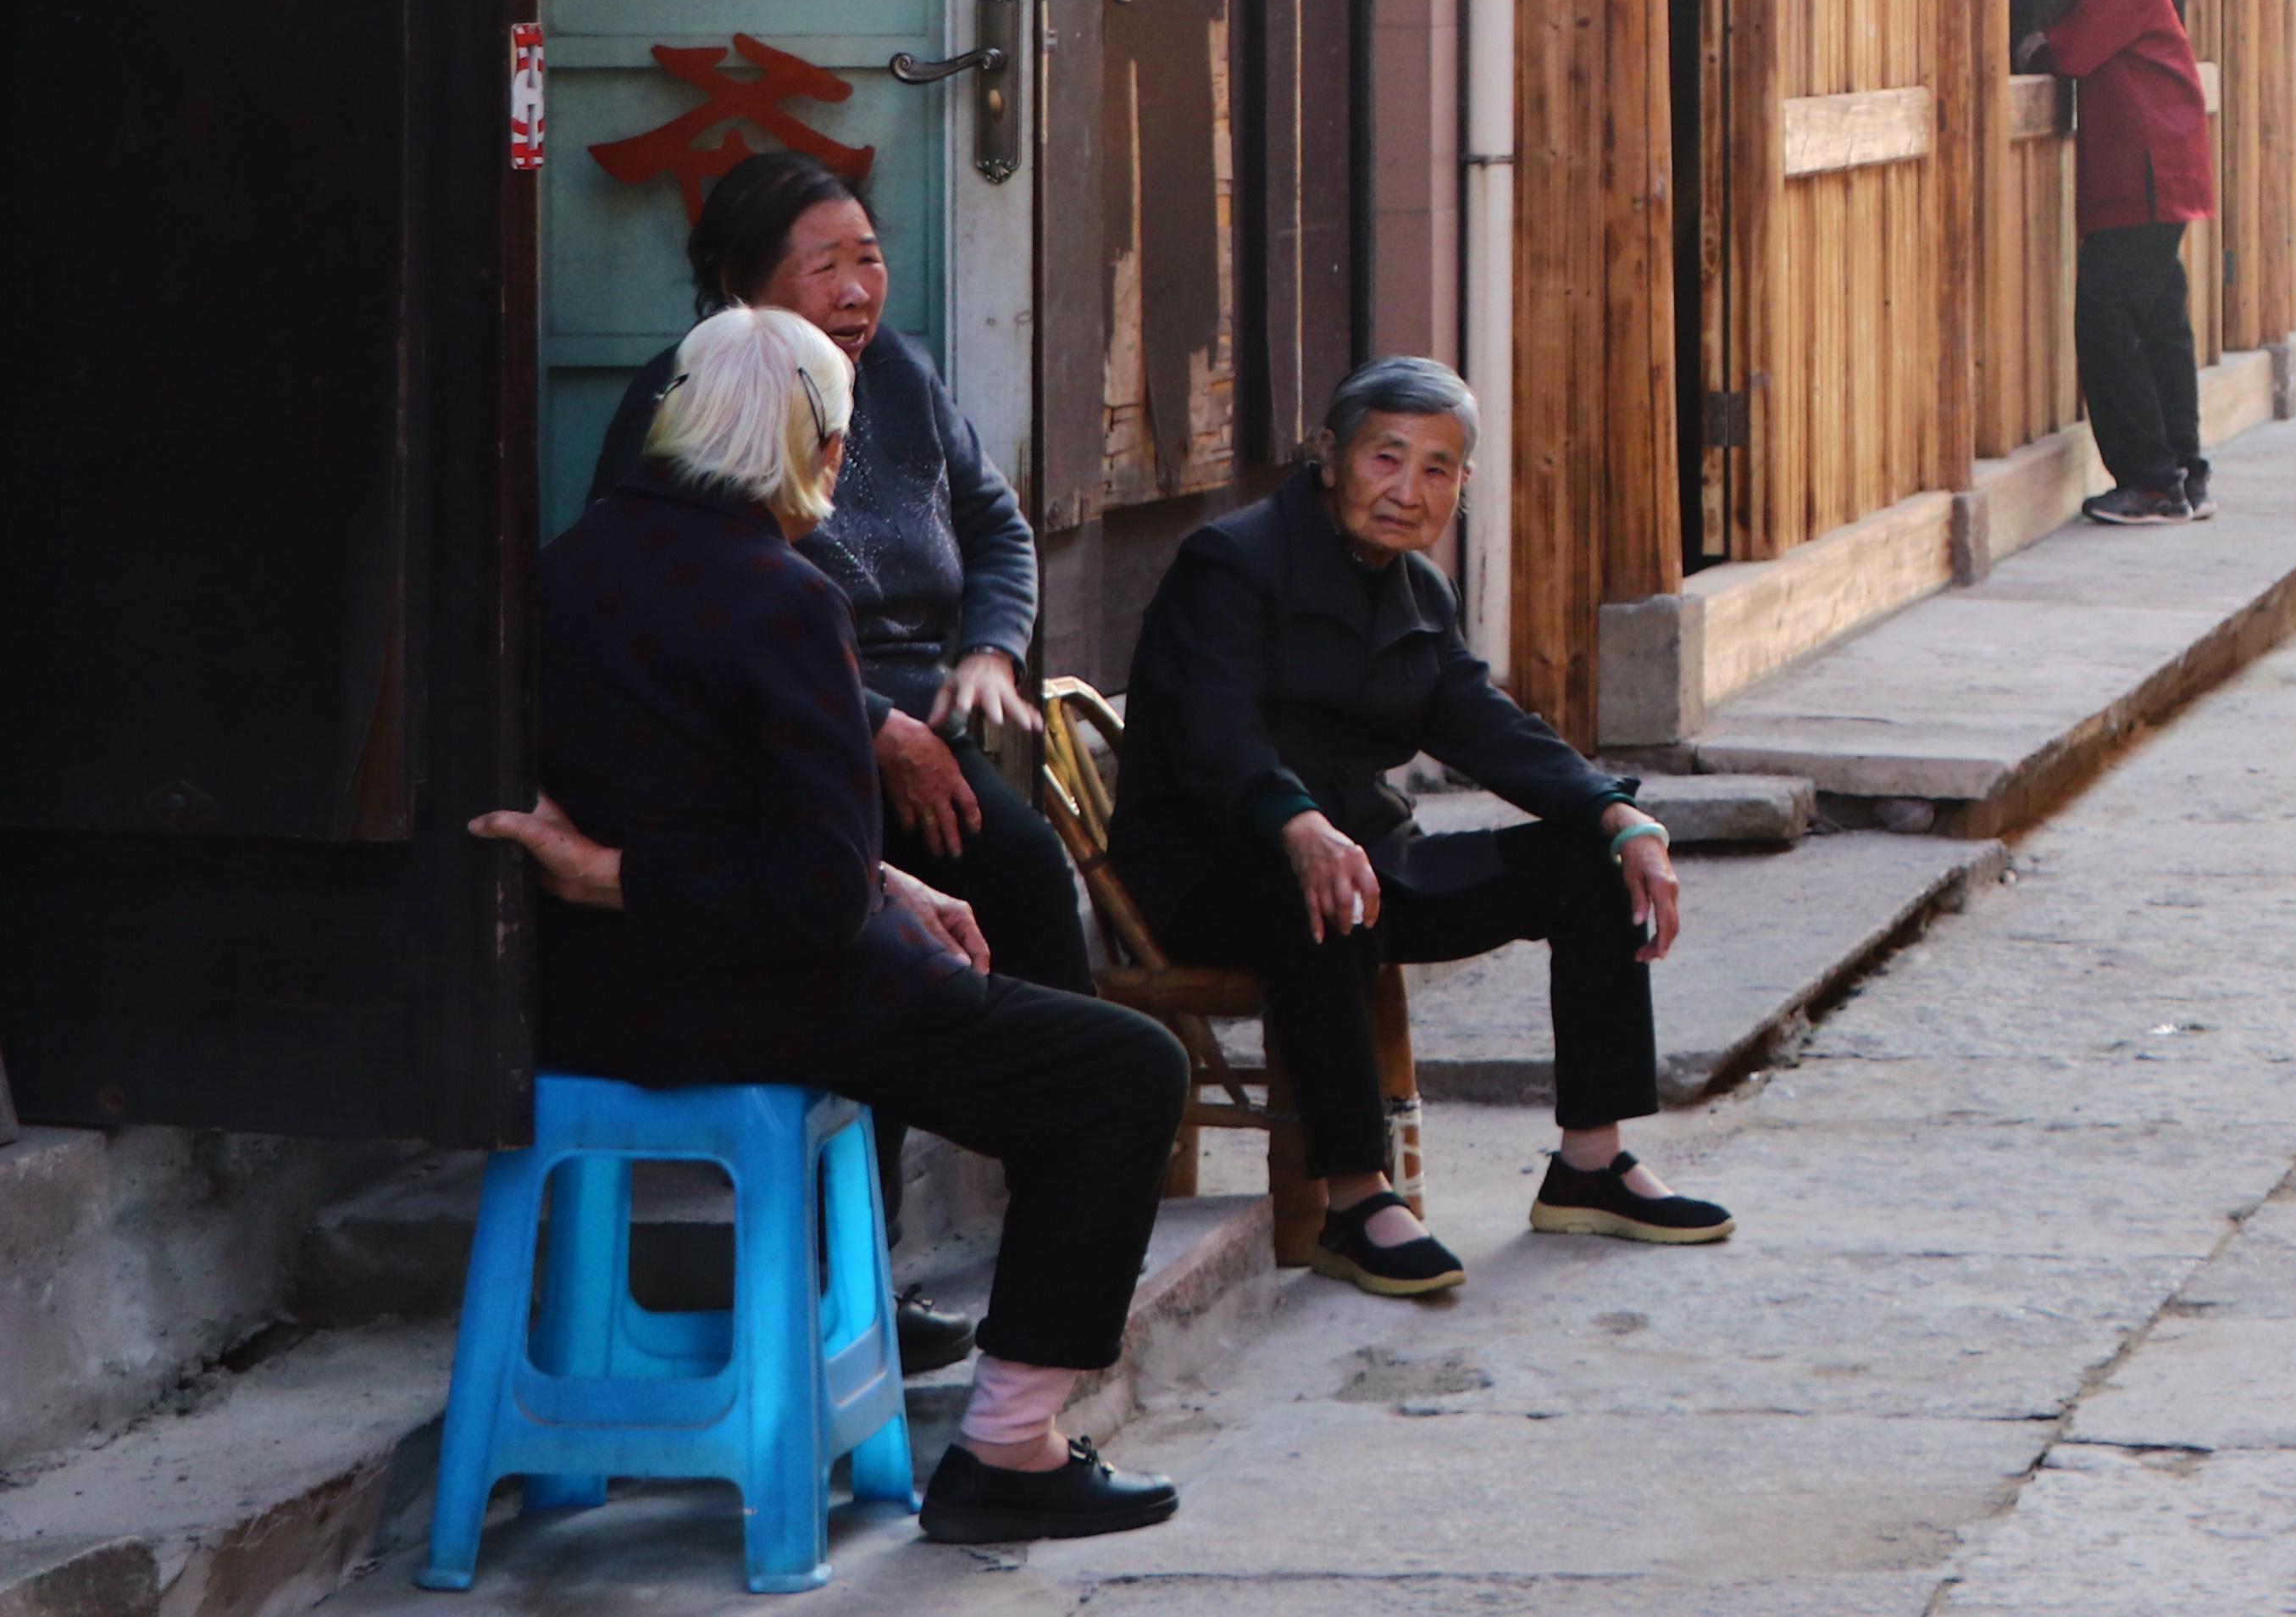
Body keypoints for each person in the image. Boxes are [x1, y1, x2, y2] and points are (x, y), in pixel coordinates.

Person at [477, 308, 1193, 1547]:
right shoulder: (784, 600)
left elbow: (730, 816)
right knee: (1125, 1072)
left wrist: (877, 878)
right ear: (813, 445)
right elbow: (803, 900)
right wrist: (624, 874)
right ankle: (1008, 1446)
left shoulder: (565, 567)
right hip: (742, 993)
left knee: (981, 964)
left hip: (593, 995)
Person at [1110, 358, 1711, 1299]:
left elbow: (1486, 724)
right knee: (1315, 891)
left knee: (1589, 865)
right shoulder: (1231, 560)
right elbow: (1212, 732)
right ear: (1331, 457)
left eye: (1438, 468)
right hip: (1215, 868)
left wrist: (1617, 810)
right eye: (1386, 456)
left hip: (1371, 859)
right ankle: (1356, 1199)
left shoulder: (1417, 592)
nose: (1407, 489)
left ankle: (1590, 1162)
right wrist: (1296, 822)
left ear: (1462, 488)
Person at [590, 153, 1089, 1004]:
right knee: (878, 935)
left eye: (868, 257)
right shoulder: (691, 402)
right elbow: (683, 621)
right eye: (824, 269)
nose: (857, 291)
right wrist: (877, 727)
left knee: (1031, 880)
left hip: (922, 717)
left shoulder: (900, 371)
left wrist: (992, 651)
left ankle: (1050, 1116)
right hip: (783, 738)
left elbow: (996, 525)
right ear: (737, 282)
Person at [2021, 0, 2217, 529]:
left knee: (2106, 321)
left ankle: (2150, 483)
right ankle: (2184, 475)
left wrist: (2039, 43)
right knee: (2160, 324)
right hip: (2158, 171)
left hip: (2146, 175)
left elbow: (2071, 50)